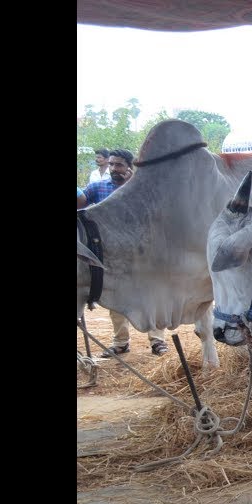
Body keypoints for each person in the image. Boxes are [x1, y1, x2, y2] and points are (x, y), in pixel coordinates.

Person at [80, 149, 168, 356]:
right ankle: (120, 343)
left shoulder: (142, 189)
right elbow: (81, 205)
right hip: (111, 255)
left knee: (150, 296)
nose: (113, 169)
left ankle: (157, 341)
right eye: (111, 165)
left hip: (143, 252)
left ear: (130, 166)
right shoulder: (98, 188)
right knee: (115, 298)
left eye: (118, 165)